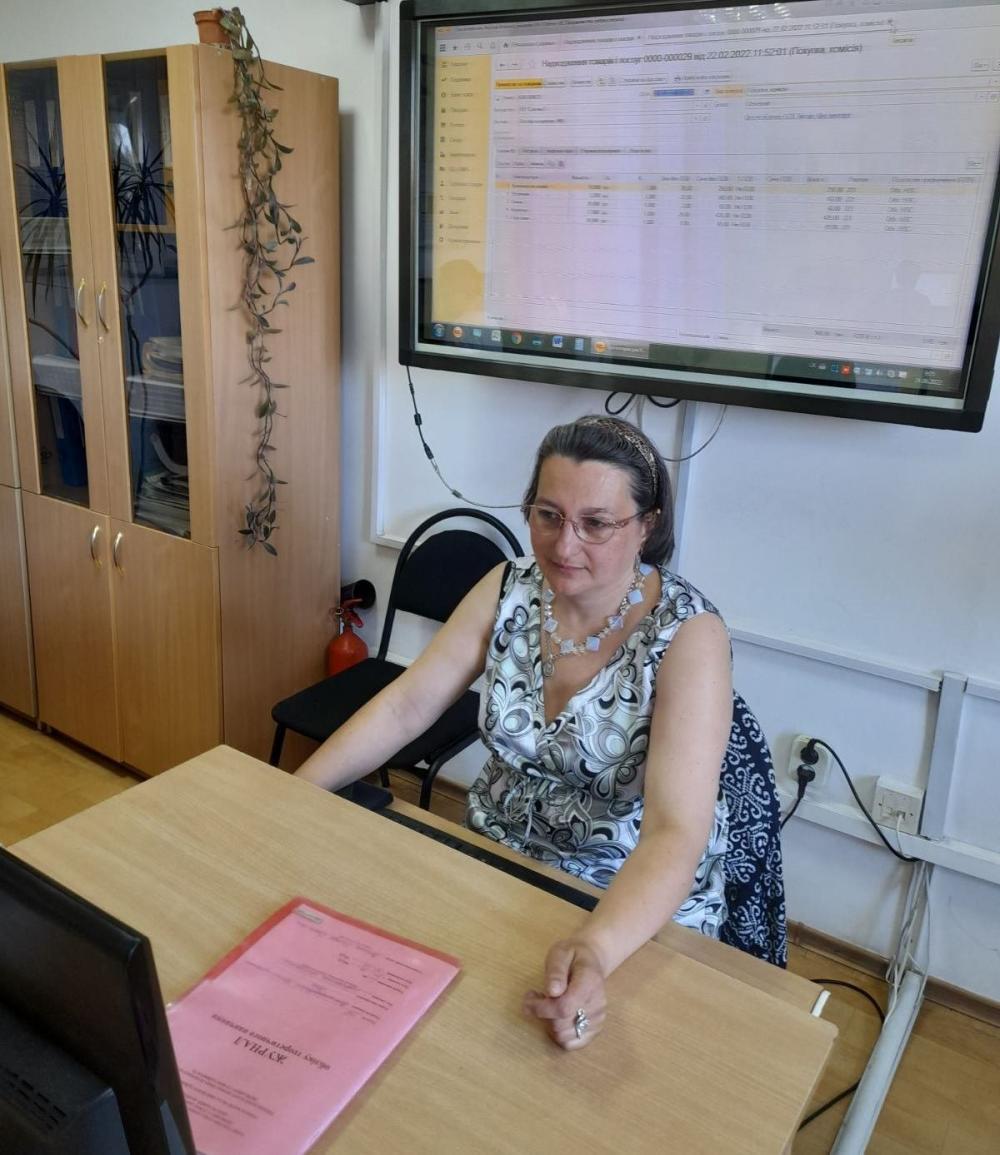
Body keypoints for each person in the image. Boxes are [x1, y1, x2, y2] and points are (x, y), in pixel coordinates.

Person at [295, 415, 786, 1050]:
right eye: (548, 515)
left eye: (596, 523)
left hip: (623, 905)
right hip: (496, 859)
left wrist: (596, 948)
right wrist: (295, 793)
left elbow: (675, 831)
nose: (564, 545)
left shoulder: (689, 635)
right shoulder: (509, 587)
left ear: (647, 525)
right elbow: (406, 708)